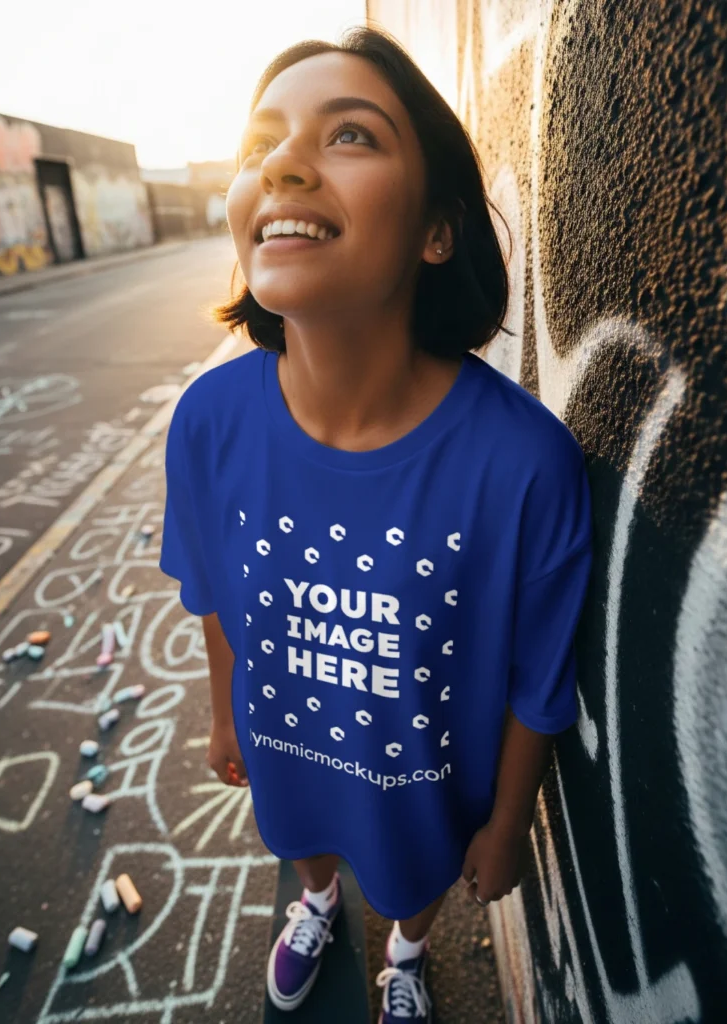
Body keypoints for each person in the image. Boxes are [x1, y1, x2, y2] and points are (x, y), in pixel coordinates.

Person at [159, 25, 593, 1022]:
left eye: (349, 134)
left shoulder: (524, 463)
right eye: (260, 143)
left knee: (408, 878)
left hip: (423, 791)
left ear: (437, 230)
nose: (282, 164)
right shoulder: (208, 422)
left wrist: (508, 822)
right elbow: (215, 594)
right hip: (284, 750)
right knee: (304, 841)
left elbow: (538, 683)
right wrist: (224, 714)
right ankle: (315, 904)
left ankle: (405, 952)